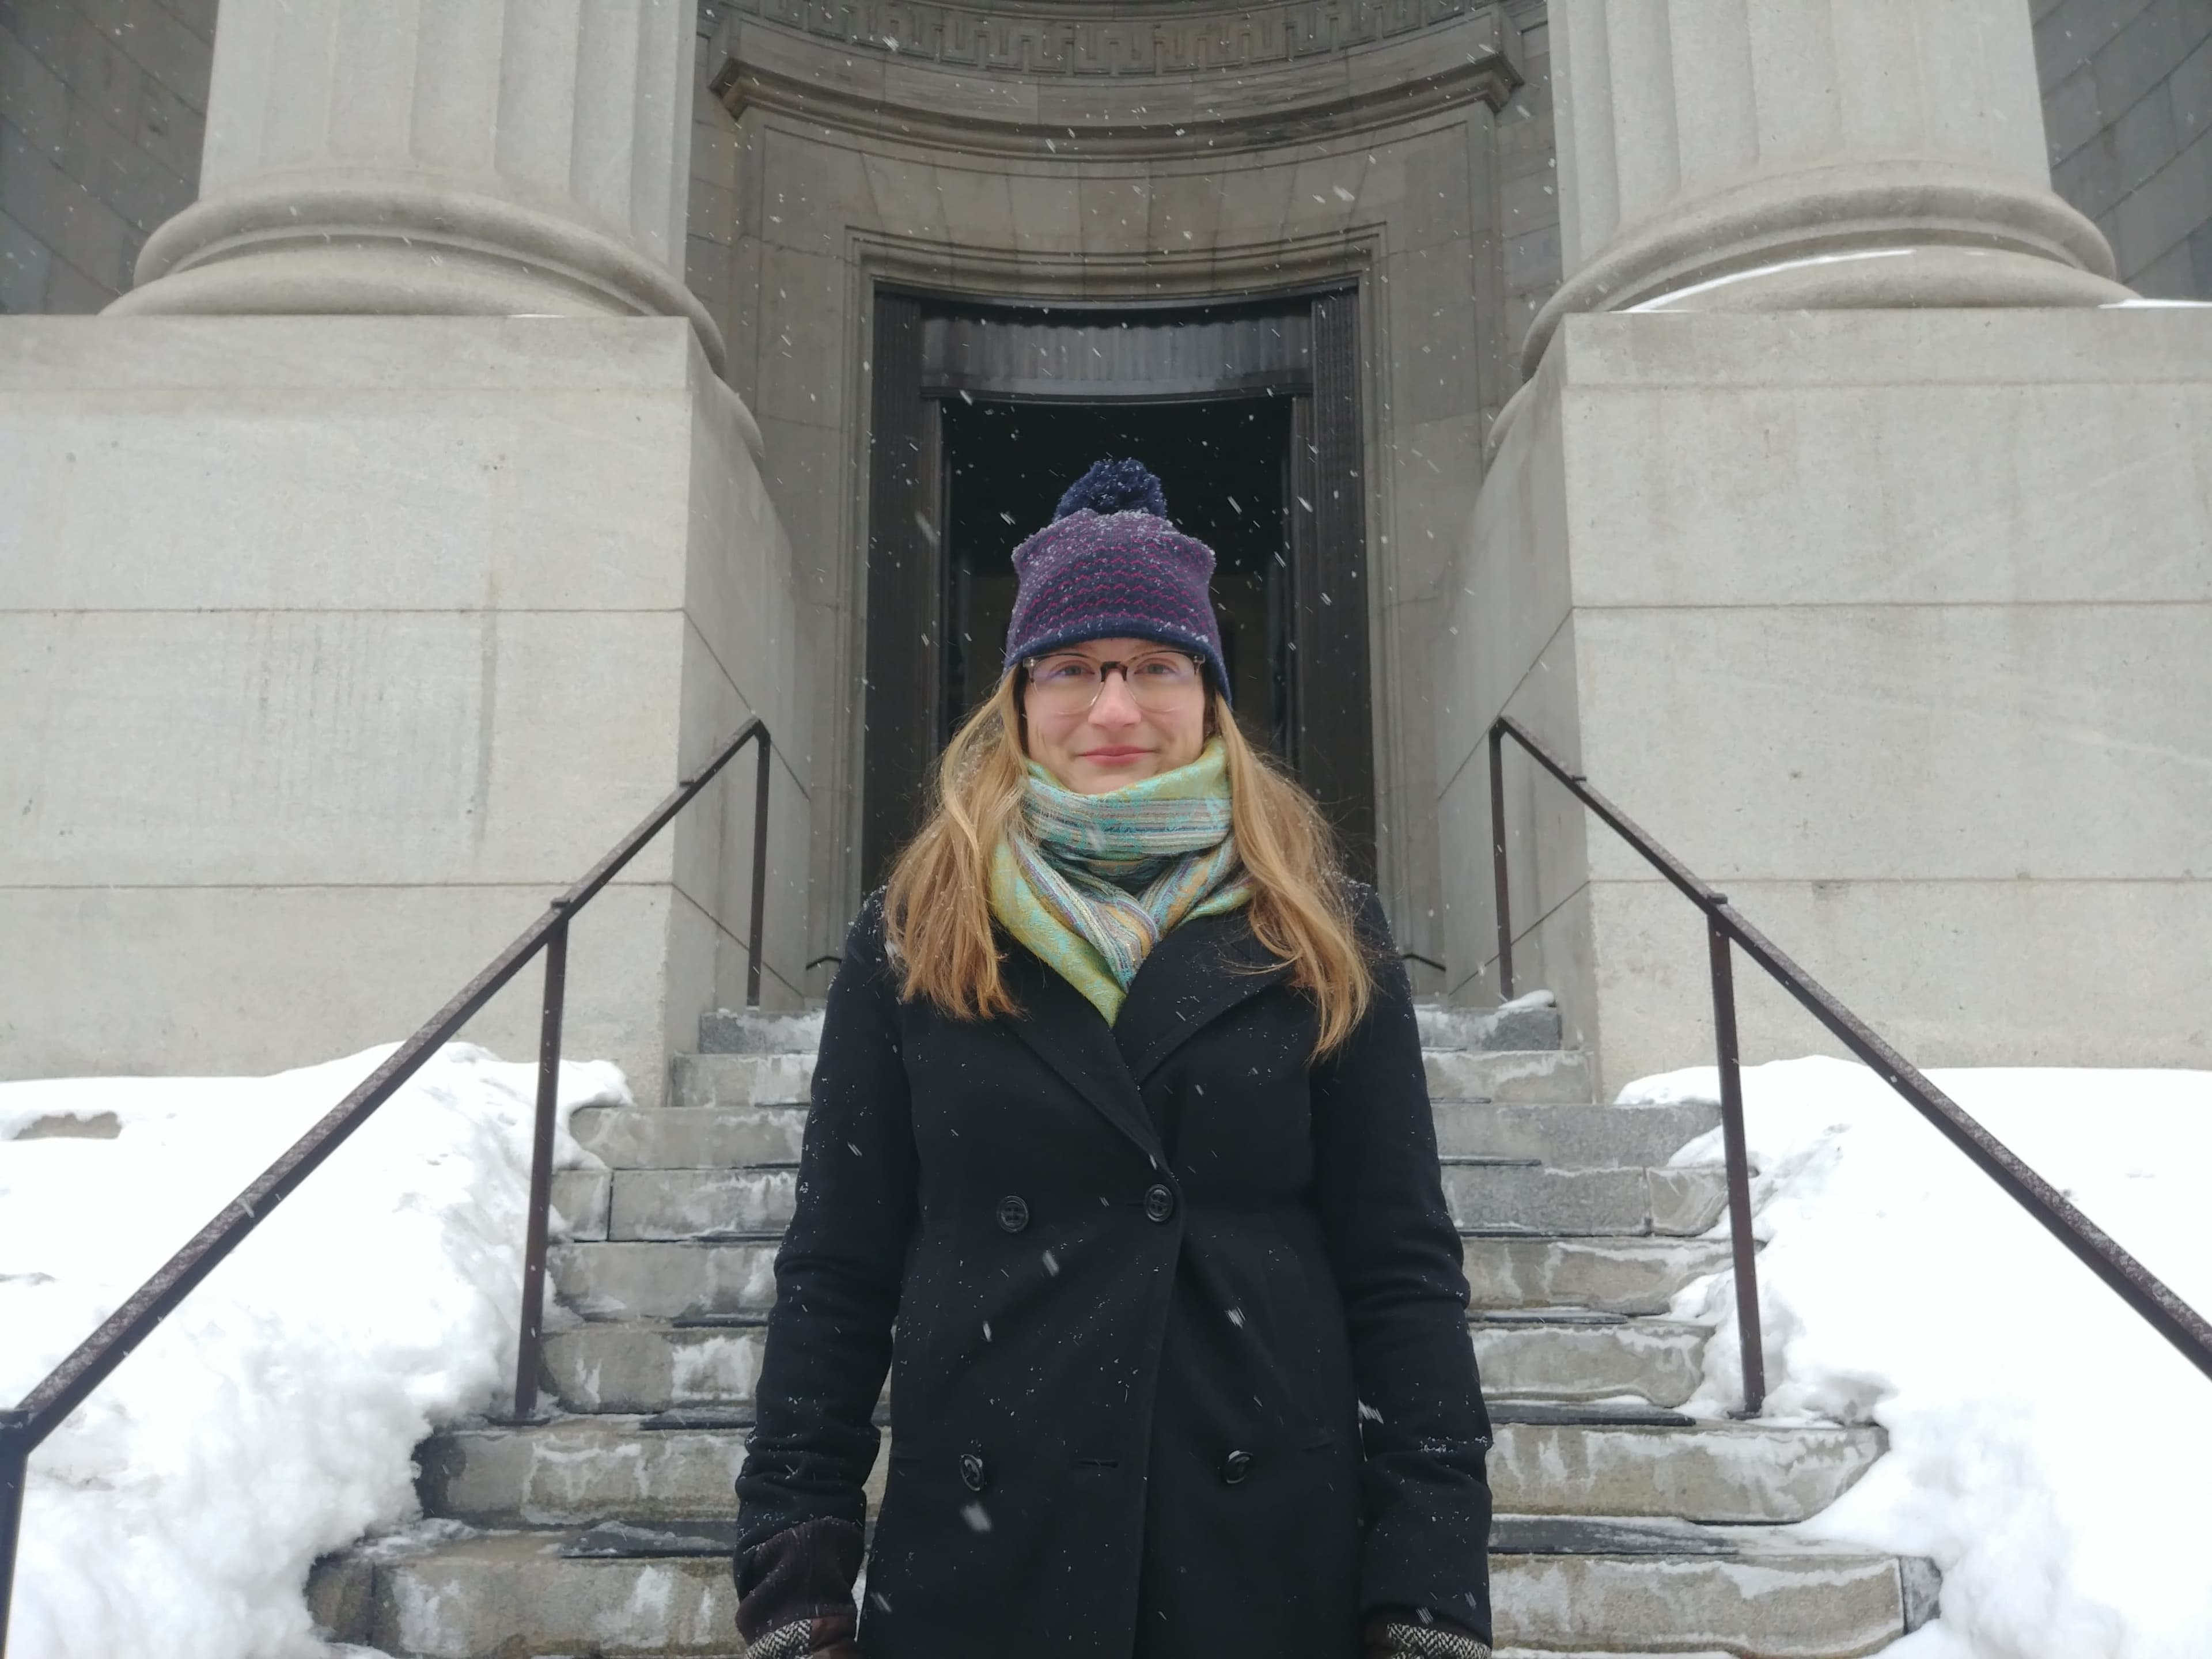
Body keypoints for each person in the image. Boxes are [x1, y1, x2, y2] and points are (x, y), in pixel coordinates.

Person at [732, 459, 1495, 1659]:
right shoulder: (916, 927)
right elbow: (837, 1271)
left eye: (1155, 667)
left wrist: (1430, 1575)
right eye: (1074, 669)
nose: (1115, 712)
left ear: (1211, 694)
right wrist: (798, 1561)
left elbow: (1401, 1269)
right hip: (986, 1558)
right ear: (1020, 694)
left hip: (1263, 1555)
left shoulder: (1319, 926)